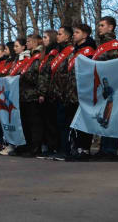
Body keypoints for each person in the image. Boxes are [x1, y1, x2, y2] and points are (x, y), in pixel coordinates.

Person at [64, 23, 97, 161]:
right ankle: (77, 148)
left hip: (83, 92)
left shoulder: (88, 50)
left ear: (85, 34)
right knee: (74, 121)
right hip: (73, 92)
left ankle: (84, 149)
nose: (74, 35)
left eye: (77, 32)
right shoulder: (76, 51)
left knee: (83, 121)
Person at [92, 16, 118, 161]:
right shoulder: (101, 46)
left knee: (111, 116)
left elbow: (114, 63)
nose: (99, 28)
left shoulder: (114, 44)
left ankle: (110, 149)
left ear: (111, 27)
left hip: (112, 85)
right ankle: (103, 147)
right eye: (99, 25)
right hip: (102, 86)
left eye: (102, 25)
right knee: (104, 117)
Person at [50, 26, 75, 161]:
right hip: (58, 93)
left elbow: (68, 72)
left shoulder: (70, 50)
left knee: (65, 123)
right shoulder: (60, 52)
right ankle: (60, 149)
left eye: (60, 34)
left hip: (66, 92)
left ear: (67, 36)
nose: (57, 36)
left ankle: (66, 149)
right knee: (59, 123)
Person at [17, 34, 44, 157]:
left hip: (33, 94)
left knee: (34, 124)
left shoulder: (38, 56)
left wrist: (23, 72)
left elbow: (36, 76)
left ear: (35, 42)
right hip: (24, 95)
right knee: (26, 123)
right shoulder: (28, 56)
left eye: (28, 41)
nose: (26, 43)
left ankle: (36, 147)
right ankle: (28, 146)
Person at [36, 30, 60, 159]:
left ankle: (54, 147)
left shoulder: (54, 53)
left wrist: (43, 92)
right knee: (46, 122)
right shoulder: (45, 54)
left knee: (51, 122)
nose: (43, 40)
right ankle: (49, 147)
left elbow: (47, 75)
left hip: (50, 92)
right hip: (44, 91)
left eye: (45, 37)